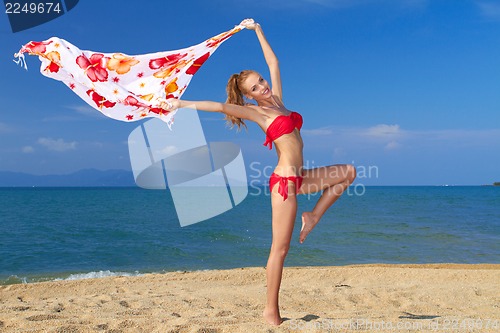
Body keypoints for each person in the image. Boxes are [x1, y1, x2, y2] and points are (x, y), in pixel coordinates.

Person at [160, 18, 356, 326]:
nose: (263, 86)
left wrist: (257, 30)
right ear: (248, 95)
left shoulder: (278, 100)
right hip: (285, 183)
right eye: (255, 87)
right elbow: (218, 107)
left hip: (302, 177)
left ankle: (314, 216)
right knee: (280, 249)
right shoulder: (257, 112)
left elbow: (274, 61)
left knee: (349, 172)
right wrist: (179, 104)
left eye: (261, 81)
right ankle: (270, 311)